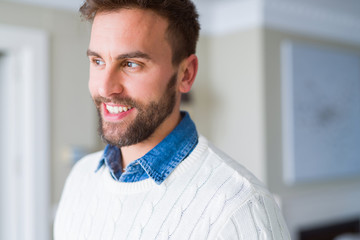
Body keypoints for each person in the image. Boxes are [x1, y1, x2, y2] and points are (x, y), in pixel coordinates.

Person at [54, 0, 290, 239]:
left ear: (185, 74)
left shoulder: (240, 207)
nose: (105, 88)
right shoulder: (81, 177)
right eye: (97, 61)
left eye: (131, 64)